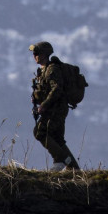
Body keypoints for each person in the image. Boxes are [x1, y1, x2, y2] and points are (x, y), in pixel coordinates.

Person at [30, 41, 81, 171]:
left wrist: (44, 105)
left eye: (37, 53)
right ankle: (74, 169)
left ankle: (59, 160)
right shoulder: (43, 71)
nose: (34, 56)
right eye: (34, 53)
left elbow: (56, 89)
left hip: (56, 109)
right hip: (55, 108)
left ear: (45, 54)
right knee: (57, 138)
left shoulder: (52, 69)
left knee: (40, 132)